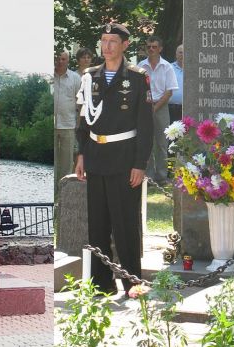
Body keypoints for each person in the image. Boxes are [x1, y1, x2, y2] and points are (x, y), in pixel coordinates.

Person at [75, 23, 153, 295]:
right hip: (96, 155)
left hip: (124, 158)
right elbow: (84, 120)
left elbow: (145, 125)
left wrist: (140, 163)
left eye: (112, 41)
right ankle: (101, 284)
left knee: (125, 224)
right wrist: (81, 153)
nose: (106, 46)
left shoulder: (136, 77)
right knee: (97, 224)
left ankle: (133, 283)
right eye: (104, 41)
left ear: (125, 45)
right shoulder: (90, 77)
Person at [137, 35, 178, 184]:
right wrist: (146, 108)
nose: (151, 49)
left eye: (154, 46)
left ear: (160, 49)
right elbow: (138, 89)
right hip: (143, 107)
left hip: (161, 107)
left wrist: (155, 108)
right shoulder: (141, 66)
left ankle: (161, 176)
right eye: (149, 47)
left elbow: (169, 91)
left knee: (161, 143)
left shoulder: (167, 66)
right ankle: (148, 176)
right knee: (146, 142)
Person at [54, 51, 81, 195]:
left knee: (66, 162)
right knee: (53, 161)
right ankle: (51, 190)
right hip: (51, 125)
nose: (60, 61)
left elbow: (80, 103)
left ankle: (63, 191)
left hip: (69, 124)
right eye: (58, 58)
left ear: (68, 61)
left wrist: (79, 123)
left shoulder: (75, 78)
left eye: (63, 59)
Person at [168, 44, 184, 123]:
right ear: (176, 54)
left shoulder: (193, 69)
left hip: (188, 108)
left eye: (185, 53)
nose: (182, 55)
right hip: (171, 108)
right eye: (180, 52)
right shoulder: (169, 68)